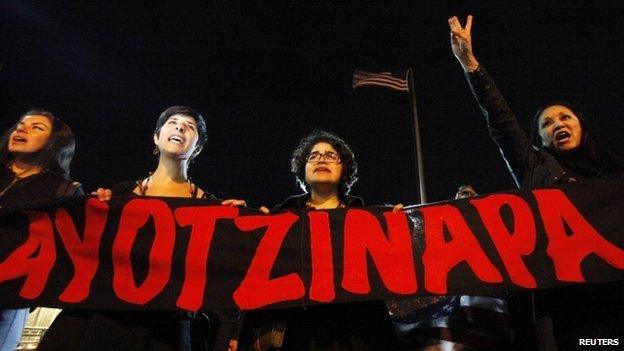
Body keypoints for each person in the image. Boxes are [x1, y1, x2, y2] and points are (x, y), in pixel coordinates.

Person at [449, 15, 624, 350]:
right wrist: (470, 63)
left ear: (580, 126)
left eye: (565, 117)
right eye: (547, 123)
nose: (557, 123)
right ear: (540, 140)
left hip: (614, 301)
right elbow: (501, 121)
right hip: (561, 310)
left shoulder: (613, 175)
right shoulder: (536, 168)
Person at [39, 106, 244, 351]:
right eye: (172, 122)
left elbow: (222, 273)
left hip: (166, 328)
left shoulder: (211, 206)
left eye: (189, 127)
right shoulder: (118, 195)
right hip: (106, 319)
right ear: (156, 137)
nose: (179, 127)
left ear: (197, 148)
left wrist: (238, 224)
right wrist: (94, 212)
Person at [239, 129, 398, 351]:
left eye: (331, 156)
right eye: (313, 156)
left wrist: (406, 226)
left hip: (355, 333)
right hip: (296, 333)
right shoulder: (280, 216)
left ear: (344, 169)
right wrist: (236, 222)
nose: (321, 159)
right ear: (303, 170)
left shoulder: (369, 218)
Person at [0, 109, 83, 351]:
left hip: (8, 297)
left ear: (55, 143)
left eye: (37, 127)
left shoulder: (63, 192)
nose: (22, 129)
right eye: (20, 124)